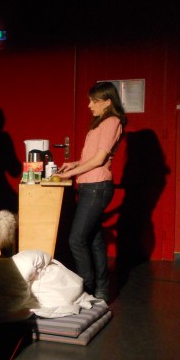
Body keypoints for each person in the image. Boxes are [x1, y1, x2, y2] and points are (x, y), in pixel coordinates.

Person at [57, 81, 127, 302]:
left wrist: (71, 173)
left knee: (76, 239)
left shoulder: (112, 122)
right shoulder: (101, 122)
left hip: (97, 187)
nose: (89, 105)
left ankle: (85, 288)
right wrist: (74, 164)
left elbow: (99, 159)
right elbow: (92, 157)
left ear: (107, 102)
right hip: (90, 186)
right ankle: (102, 290)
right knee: (94, 240)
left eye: (94, 101)